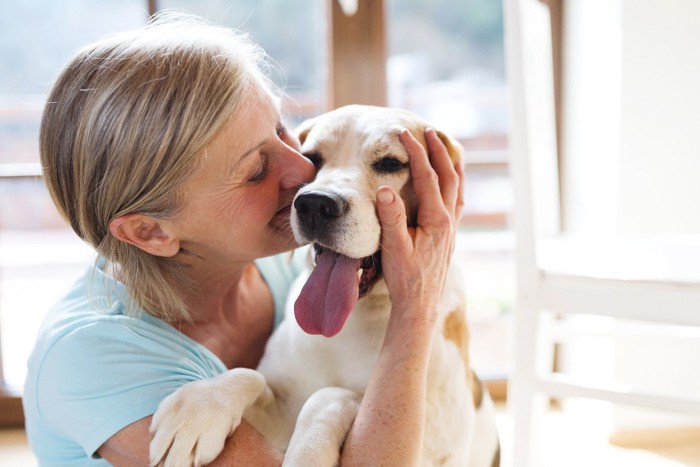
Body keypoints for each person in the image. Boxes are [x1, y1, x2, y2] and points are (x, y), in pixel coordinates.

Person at [23, 11, 464, 466]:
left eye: (281, 131)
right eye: (255, 171)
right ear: (151, 230)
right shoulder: (93, 362)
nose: (304, 174)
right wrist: (416, 307)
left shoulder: (284, 264)